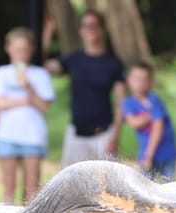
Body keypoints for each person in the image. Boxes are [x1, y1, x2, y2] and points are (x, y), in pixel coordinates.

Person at [44, 10, 125, 166]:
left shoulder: (113, 63)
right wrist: (48, 33)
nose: (90, 29)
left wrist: (115, 137)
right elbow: (42, 65)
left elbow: (121, 102)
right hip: (76, 134)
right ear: (81, 31)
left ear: (102, 29)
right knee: (70, 187)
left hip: (103, 134)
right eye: (86, 25)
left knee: (106, 186)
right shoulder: (73, 60)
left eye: (94, 25)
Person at [0, 27, 55, 204]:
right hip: (6, 135)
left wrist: (28, 87)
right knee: (8, 189)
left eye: (24, 49)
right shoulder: (1, 73)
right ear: (8, 49)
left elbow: (44, 106)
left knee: (32, 191)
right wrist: (27, 101)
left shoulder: (40, 74)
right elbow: (0, 103)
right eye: (17, 49)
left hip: (32, 136)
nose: (20, 53)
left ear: (31, 51)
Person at [122, 62, 176, 181]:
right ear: (129, 80)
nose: (140, 83)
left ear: (150, 82)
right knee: (145, 188)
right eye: (136, 78)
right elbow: (133, 122)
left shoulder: (154, 99)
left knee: (169, 188)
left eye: (144, 79)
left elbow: (158, 127)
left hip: (165, 153)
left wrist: (149, 155)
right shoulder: (128, 102)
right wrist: (149, 116)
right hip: (145, 153)